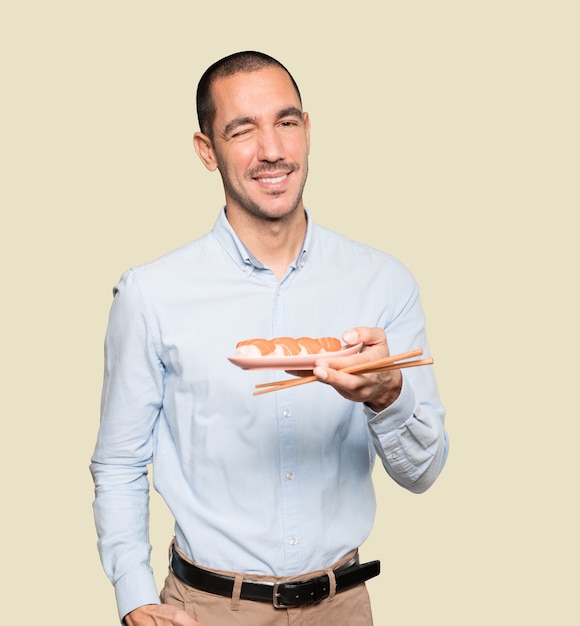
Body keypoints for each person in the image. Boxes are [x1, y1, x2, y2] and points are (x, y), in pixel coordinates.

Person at [90, 50, 448, 626]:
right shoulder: (151, 294)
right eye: (242, 130)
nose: (272, 150)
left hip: (342, 606)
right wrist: (135, 597)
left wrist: (388, 396)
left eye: (286, 122)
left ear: (308, 131)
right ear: (207, 151)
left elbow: (423, 473)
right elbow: (119, 462)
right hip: (205, 610)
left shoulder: (382, 283)